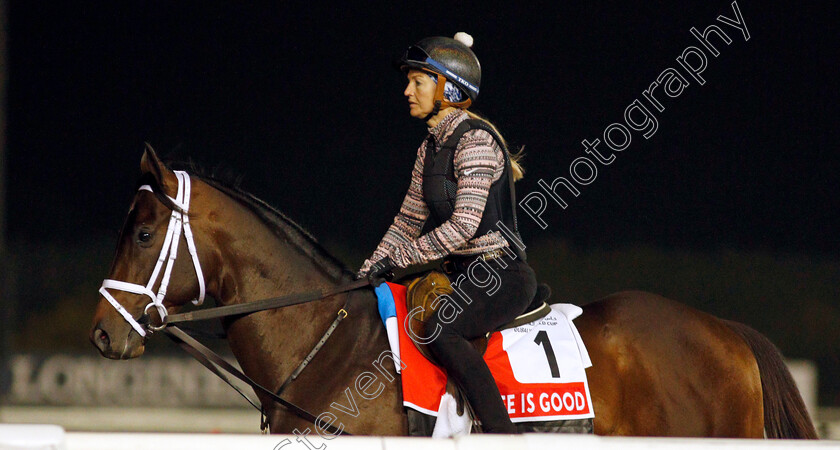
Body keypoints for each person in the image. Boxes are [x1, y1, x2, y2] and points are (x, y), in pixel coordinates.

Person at [356, 32, 538, 434]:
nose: (407, 91)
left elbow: (463, 227)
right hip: (461, 276)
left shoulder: (474, 140)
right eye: (409, 81)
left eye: (417, 81)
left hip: (501, 274)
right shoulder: (428, 149)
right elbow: (406, 223)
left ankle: (503, 436)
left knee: (441, 328)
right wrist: (366, 273)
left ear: (448, 88)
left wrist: (397, 260)